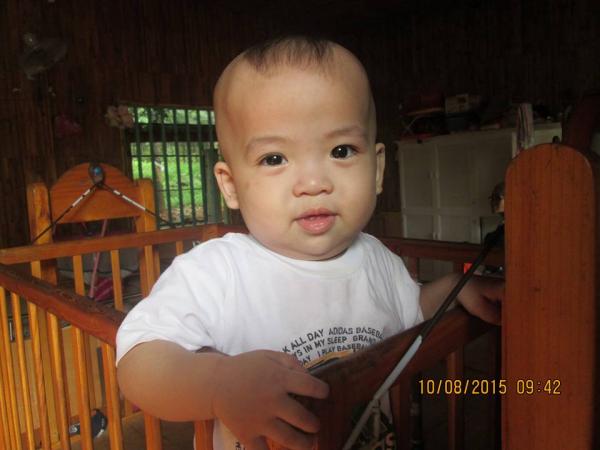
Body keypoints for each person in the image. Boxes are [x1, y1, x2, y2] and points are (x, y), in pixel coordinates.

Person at [116, 36, 503, 450]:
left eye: (341, 150)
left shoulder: (378, 259)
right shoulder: (217, 271)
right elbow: (138, 362)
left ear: (377, 169)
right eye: (274, 159)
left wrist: (452, 290)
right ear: (230, 186)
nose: (314, 183)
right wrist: (217, 383)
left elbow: (407, 312)